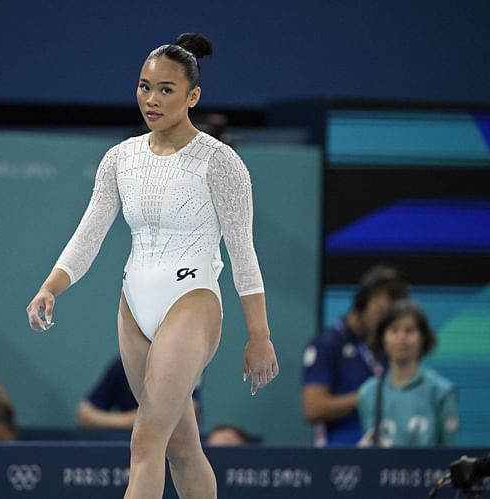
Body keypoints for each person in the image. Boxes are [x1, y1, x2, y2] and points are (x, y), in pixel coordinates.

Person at [27, 32, 279, 499]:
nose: (152, 99)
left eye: (166, 89)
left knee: (145, 440)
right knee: (181, 447)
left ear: (193, 96)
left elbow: (243, 252)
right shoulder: (120, 158)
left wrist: (258, 334)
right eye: (145, 86)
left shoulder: (221, 163)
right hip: (133, 305)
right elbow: (89, 234)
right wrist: (50, 287)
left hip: (192, 300)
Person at [301, 264, 408, 446]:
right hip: (338, 456)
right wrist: (368, 396)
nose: (385, 323)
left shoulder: (387, 348)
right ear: (362, 303)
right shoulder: (328, 344)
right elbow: (313, 408)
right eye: (381, 312)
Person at [358, 300, 457, 447]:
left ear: (423, 338)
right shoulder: (367, 392)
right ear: (382, 338)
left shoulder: (442, 391)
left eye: (409, 330)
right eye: (393, 330)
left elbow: (451, 455)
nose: (401, 337)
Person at [75, 356, 200, 430]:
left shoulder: (181, 365)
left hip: (172, 446)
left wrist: (144, 422)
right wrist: (136, 422)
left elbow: (187, 411)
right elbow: (85, 414)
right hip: (127, 445)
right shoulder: (121, 367)